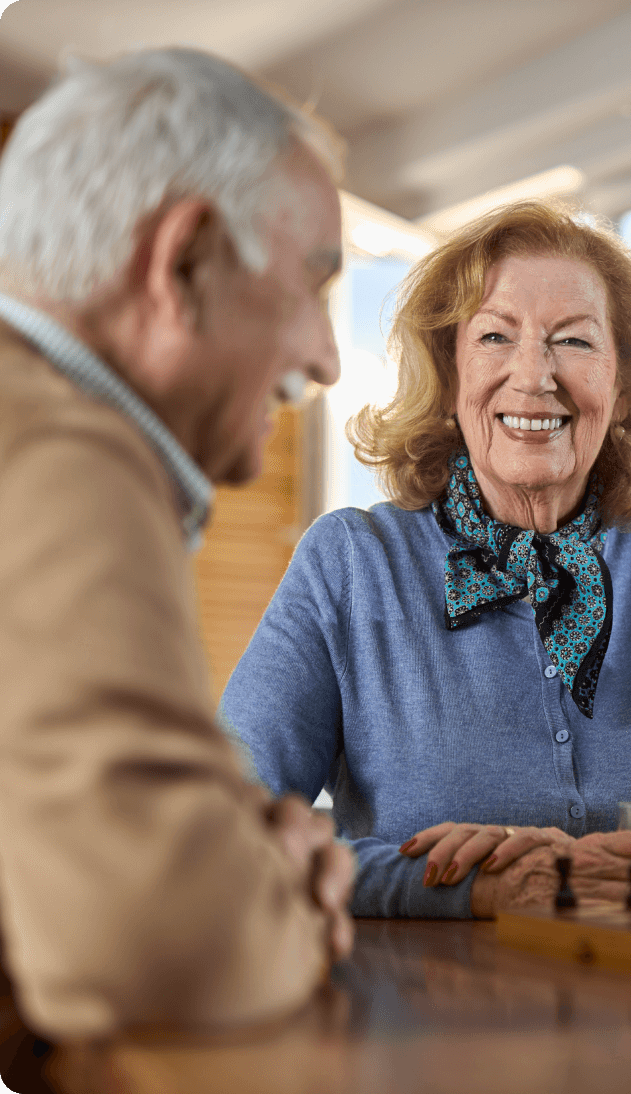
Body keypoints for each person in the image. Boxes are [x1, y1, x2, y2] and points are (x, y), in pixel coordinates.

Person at [221, 201, 631, 919]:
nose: (533, 374)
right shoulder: (351, 563)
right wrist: (461, 886)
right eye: (496, 336)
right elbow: (228, 834)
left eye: (572, 341)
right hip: (419, 1019)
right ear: (450, 378)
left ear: (622, 387)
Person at [0, 47, 354, 1060]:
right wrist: (275, 900)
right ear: (183, 263)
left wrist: (227, 849)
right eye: (312, 282)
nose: (329, 356)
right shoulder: (66, 455)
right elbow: (161, 944)